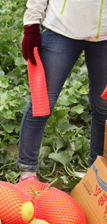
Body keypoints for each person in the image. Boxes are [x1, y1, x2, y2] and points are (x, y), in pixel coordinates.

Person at [18, 0, 107, 181]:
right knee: (43, 101)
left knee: (104, 106)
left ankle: (96, 174)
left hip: (105, 37)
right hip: (61, 30)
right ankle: (27, 171)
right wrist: (31, 26)